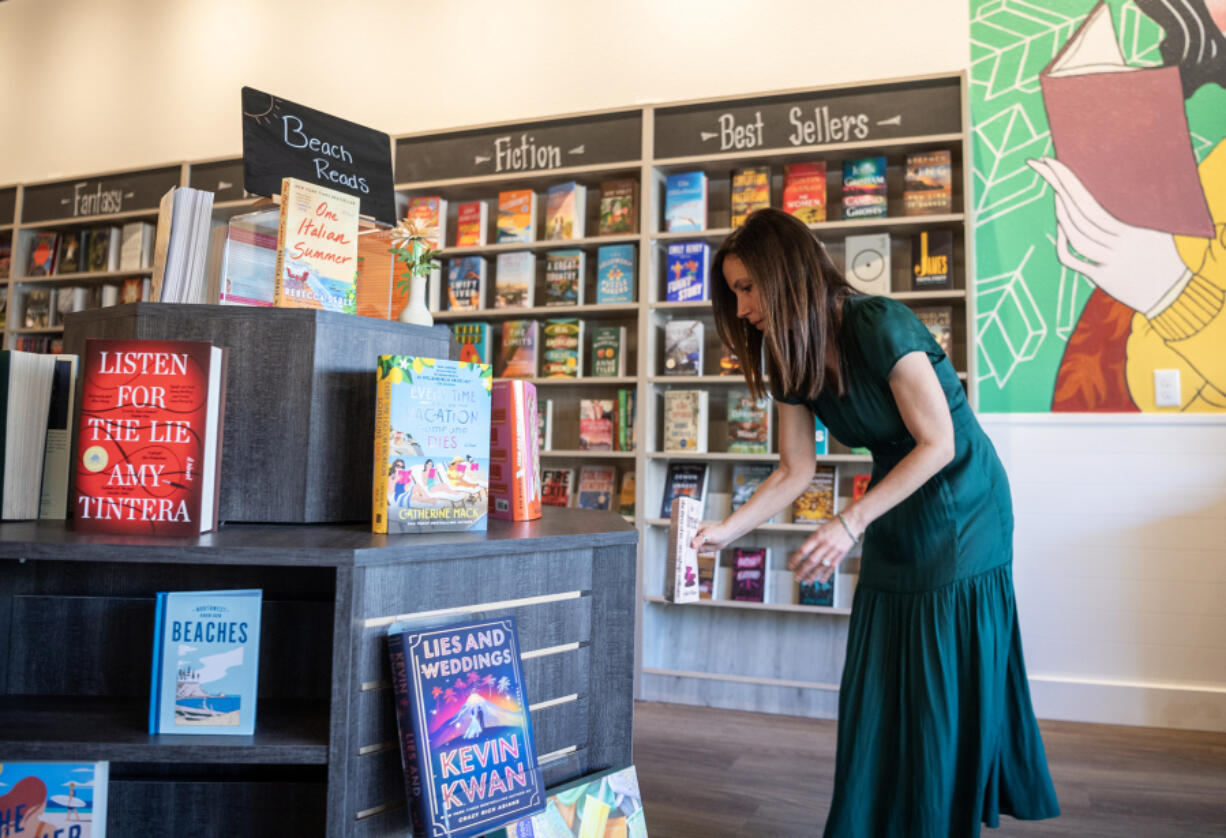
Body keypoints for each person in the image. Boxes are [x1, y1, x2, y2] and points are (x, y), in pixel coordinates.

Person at [691, 208, 1059, 836]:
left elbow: (939, 442)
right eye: (734, 294)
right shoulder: (791, 358)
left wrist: (849, 521)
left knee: (938, 675)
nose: (743, 307)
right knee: (883, 678)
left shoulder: (880, 322)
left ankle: (938, 820)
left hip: (963, 504)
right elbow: (794, 471)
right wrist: (725, 531)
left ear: (786, 275)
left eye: (748, 287)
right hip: (895, 504)